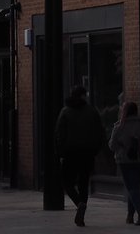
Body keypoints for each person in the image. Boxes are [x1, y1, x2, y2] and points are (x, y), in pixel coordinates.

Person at [55, 85, 106, 227]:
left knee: (66, 182)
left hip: (70, 153)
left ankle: (79, 203)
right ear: (83, 96)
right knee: (84, 183)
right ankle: (82, 209)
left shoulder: (65, 111)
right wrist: (95, 150)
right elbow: (100, 132)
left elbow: (59, 134)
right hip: (87, 153)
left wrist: (61, 152)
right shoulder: (92, 111)